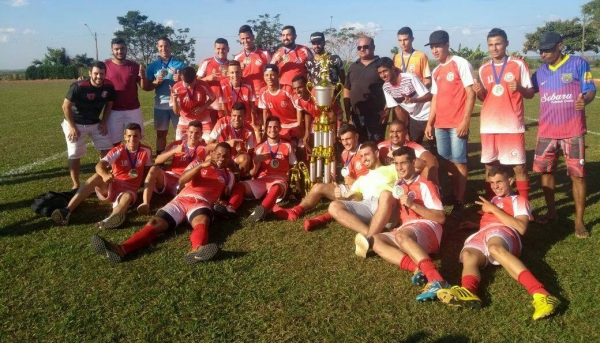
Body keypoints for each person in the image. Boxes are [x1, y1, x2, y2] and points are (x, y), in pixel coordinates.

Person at [436, 166, 560, 320]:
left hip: (505, 233)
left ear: (511, 180)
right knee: (468, 255)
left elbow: (521, 227)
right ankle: (469, 291)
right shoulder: (494, 200)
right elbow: (493, 220)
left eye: (499, 182)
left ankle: (541, 294)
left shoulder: (519, 200)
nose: (495, 186)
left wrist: (493, 209)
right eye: (492, 182)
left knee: (494, 248)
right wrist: (476, 225)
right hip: (484, 233)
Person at [90, 142, 235, 264]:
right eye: (219, 154)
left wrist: (224, 201)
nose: (221, 158)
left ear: (229, 159)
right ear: (213, 153)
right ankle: (121, 249)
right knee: (154, 223)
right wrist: (201, 167)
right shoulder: (198, 162)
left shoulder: (229, 175)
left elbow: (227, 194)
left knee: (202, 222)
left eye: (226, 156)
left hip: (202, 203)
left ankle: (197, 250)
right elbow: (182, 180)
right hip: (182, 199)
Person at [530, 31, 596, 238]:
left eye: (548, 49)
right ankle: (552, 213)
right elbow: (527, 90)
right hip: (547, 131)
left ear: (560, 46)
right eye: (541, 50)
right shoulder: (540, 72)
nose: (544, 53)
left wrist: (584, 100)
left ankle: (579, 222)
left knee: (577, 175)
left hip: (572, 130)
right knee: (546, 172)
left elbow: (590, 90)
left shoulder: (578, 64)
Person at [370, 147, 449, 302]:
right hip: (407, 230)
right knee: (376, 240)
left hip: (427, 227)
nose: (399, 167)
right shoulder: (398, 185)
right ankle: (417, 269)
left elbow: (440, 218)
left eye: (403, 163)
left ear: (413, 163)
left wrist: (413, 206)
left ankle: (437, 280)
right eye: (396, 163)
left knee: (402, 235)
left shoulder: (426, 184)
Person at [52, 123, 153, 229]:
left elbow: (148, 171)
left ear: (140, 136)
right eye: (129, 136)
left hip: (129, 189)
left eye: (135, 136)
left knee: (127, 197)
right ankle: (67, 210)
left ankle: (109, 220)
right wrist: (105, 175)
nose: (132, 139)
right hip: (112, 184)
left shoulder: (146, 151)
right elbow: (100, 165)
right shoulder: (118, 150)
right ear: (124, 136)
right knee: (96, 177)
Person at [271, 124, 368, 230]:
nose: (345, 142)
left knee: (347, 201)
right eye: (343, 139)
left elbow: (374, 179)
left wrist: (354, 182)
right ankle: (295, 211)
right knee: (318, 187)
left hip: (363, 193)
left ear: (356, 137)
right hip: (348, 187)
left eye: (348, 139)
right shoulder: (344, 153)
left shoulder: (365, 153)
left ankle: (318, 220)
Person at [474, 28, 534, 200]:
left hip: (511, 125)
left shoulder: (518, 64)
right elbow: (486, 97)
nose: (494, 48)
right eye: (491, 45)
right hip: (489, 125)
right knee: (489, 166)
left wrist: (520, 88)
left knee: (518, 167)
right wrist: (479, 92)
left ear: (506, 43)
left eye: (498, 44)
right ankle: (492, 204)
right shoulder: (484, 68)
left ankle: (524, 205)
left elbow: (530, 93)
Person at [424, 30, 475, 220]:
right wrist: (430, 123)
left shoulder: (460, 63)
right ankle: (454, 194)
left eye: (438, 46)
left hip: (457, 124)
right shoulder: (436, 70)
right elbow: (435, 98)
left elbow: (471, 93)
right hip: (440, 125)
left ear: (447, 44)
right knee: (446, 162)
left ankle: (460, 200)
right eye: (432, 47)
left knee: (459, 161)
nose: (435, 50)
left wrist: (465, 120)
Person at [214, 116, 297, 222]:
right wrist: (256, 162)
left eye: (276, 127)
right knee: (240, 186)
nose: (272, 129)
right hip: (263, 180)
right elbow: (253, 172)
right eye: (270, 127)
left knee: (275, 188)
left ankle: (262, 210)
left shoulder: (287, 146)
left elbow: (294, 166)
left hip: (279, 179)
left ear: (280, 128)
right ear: (266, 129)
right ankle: (230, 208)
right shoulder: (260, 147)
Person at [328, 141, 399, 255]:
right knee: (333, 206)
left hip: (386, 204)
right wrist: (339, 197)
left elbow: (417, 166)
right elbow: (350, 197)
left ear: (376, 153)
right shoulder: (361, 179)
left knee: (385, 194)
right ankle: (369, 235)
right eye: (361, 156)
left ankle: (369, 238)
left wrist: (396, 156)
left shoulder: (392, 169)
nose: (364, 158)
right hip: (367, 204)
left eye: (367, 154)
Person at [61, 61, 115, 190]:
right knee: (74, 153)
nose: (98, 77)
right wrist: (72, 126)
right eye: (96, 73)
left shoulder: (108, 85)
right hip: (76, 123)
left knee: (108, 150)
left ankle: (103, 176)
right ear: (90, 73)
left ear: (105, 74)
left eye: (102, 74)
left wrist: (103, 122)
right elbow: (65, 106)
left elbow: (109, 104)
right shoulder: (79, 86)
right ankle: (76, 184)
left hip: (95, 122)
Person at [137, 121, 207, 215]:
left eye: (197, 133)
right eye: (191, 132)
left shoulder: (205, 148)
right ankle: (145, 203)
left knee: (186, 184)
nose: (193, 135)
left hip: (185, 181)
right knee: (154, 169)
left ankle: (172, 206)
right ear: (187, 132)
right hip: (169, 177)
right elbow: (157, 160)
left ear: (201, 134)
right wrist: (175, 151)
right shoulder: (177, 144)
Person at [377, 57, 434, 148]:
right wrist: (403, 128)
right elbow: (398, 109)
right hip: (414, 119)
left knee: (436, 148)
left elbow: (429, 96)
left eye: (385, 71)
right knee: (412, 148)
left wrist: (413, 100)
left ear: (392, 68)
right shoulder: (386, 87)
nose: (383, 75)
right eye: (380, 73)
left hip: (429, 116)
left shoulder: (410, 78)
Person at [144, 36, 186, 155]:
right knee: (161, 133)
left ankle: (181, 157)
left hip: (177, 104)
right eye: (161, 46)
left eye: (166, 45)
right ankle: (160, 159)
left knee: (181, 132)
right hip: (160, 104)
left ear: (170, 47)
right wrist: (155, 82)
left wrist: (181, 79)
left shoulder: (180, 64)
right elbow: (147, 87)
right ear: (157, 48)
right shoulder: (153, 66)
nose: (164, 48)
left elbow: (189, 82)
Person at [104, 37, 146, 146]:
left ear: (126, 49)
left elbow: (144, 87)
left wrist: (143, 77)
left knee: (135, 139)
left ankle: (135, 162)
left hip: (133, 109)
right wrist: (83, 79)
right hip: (113, 110)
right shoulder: (105, 66)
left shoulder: (135, 66)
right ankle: (116, 163)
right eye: (116, 49)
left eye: (122, 48)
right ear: (112, 50)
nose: (120, 51)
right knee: (114, 142)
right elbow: (95, 79)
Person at [344, 36, 386, 142]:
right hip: (356, 115)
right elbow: (347, 89)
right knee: (360, 146)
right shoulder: (353, 67)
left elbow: (390, 88)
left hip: (376, 116)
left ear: (373, 47)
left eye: (365, 47)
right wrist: (347, 112)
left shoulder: (381, 65)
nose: (362, 49)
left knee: (375, 145)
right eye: (359, 47)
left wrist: (386, 110)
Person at [377, 119, 439, 186]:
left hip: (407, 181)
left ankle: (429, 190)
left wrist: (432, 173)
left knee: (426, 167)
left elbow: (432, 159)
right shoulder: (382, 146)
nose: (394, 135)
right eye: (392, 131)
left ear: (406, 132)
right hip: (386, 180)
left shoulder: (412, 146)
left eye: (398, 132)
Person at [258, 64, 304, 148]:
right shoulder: (263, 92)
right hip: (278, 127)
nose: (269, 78)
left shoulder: (287, 89)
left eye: (272, 75)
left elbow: (299, 109)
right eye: (267, 75)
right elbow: (265, 112)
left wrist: (300, 126)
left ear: (277, 75)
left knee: (299, 147)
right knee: (276, 147)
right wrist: (266, 129)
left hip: (294, 124)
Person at [171, 67, 216, 142]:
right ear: (181, 77)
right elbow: (176, 112)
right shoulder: (176, 88)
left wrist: (202, 108)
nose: (189, 86)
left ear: (196, 77)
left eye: (191, 83)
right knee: (179, 142)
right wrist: (175, 100)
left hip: (203, 118)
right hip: (185, 119)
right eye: (186, 84)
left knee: (209, 142)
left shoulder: (203, 84)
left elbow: (213, 97)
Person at [233, 25, 272, 114]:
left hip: (263, 95)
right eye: (242, 39)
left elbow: (273, 74)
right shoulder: (237, 57)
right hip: (246, 97)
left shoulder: (264, 54)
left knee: (264, 123)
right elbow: (232, 78)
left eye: (248, 38)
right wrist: (239, 70)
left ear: (253, 37)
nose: (245, 41)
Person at [219, 60, 260, 139]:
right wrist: (229, 122)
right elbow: (224, 107)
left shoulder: (248, 83)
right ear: (228, 74)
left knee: (258, 137)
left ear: (241, 73)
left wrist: (253, 123)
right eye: (232, 72)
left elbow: (252, 106)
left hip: (247, 120)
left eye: (237, 72)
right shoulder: (223, 84)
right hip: (233, 120)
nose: (235, 75)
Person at [197, 38, 230, 125]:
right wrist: (207, 78)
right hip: (210, 105)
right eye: (218, 49)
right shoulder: (207, 62)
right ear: (214, 49)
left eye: (223, 49)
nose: (221, 51)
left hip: (226, 105)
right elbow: (196, 82)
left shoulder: (232, 64)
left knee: (224, 131)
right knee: (210, 133)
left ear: (228, 49)